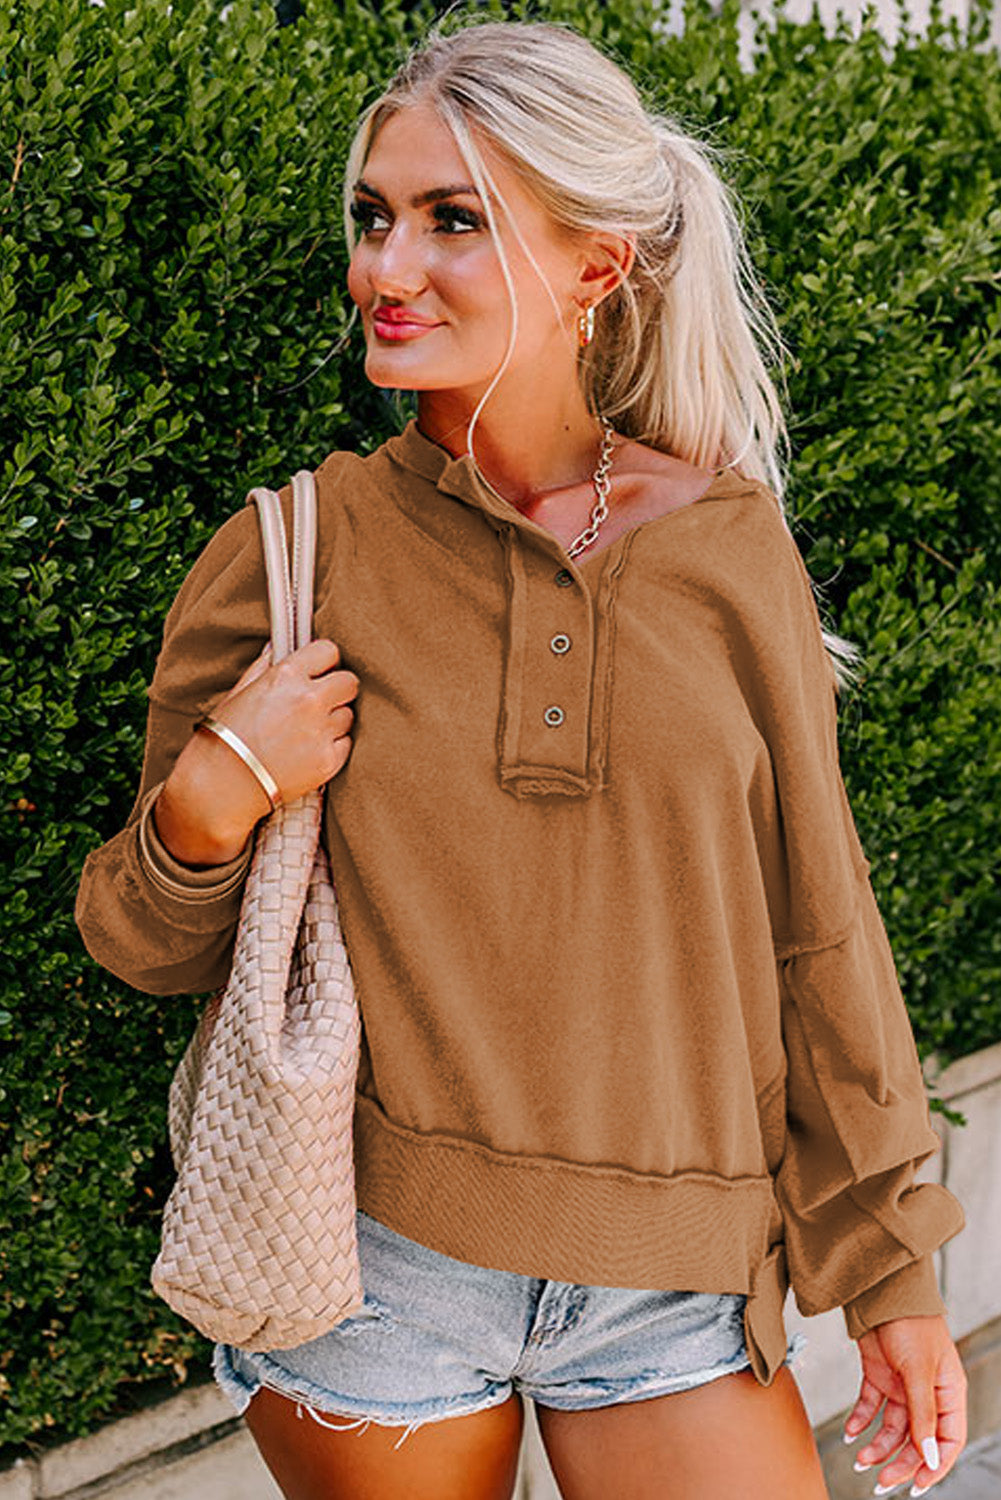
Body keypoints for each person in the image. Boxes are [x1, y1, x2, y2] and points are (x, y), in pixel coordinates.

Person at [74, 16, 969, 1500]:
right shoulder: (293, 550)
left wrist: (892, 1280)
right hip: (376, 1282)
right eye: (372, 218)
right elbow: (138, 938)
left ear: (596, 268)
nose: (385, 268)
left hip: (674, 1287)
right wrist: (222, 786)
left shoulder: (726, 548)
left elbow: (818, 931)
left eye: (451, 221)